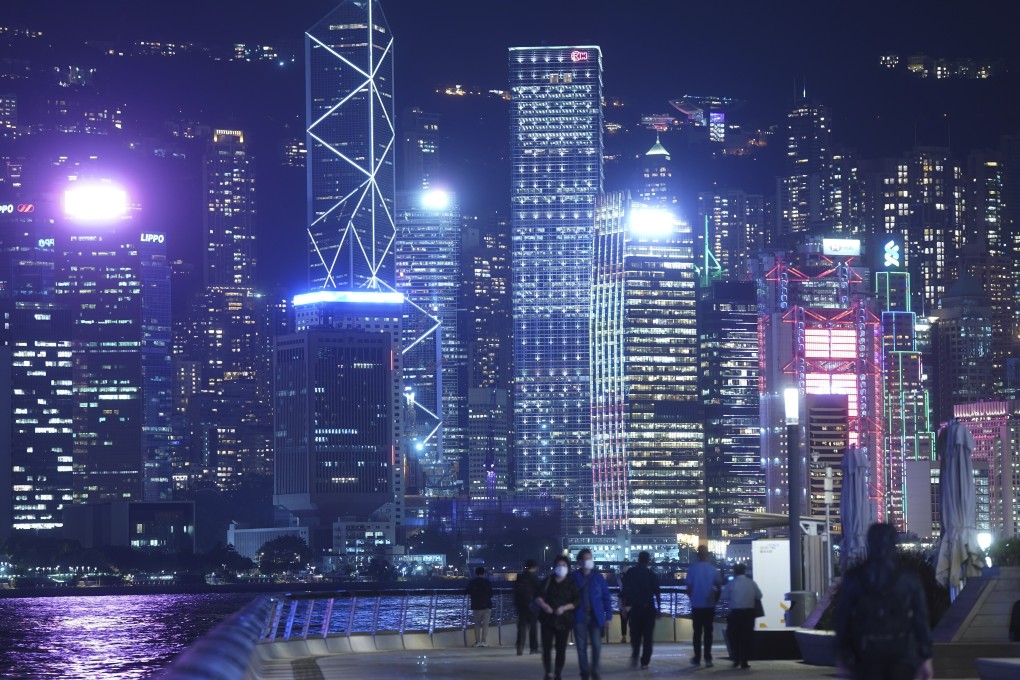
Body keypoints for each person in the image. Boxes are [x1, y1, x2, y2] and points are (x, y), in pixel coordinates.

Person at [835, 523, 934, 680]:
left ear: (869, 542)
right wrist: (926, 656)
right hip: (902, 655)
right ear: (895, 542)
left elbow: (842, 618)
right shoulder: (909, 578)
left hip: (865, 654)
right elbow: (920, 620)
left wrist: (842, 654)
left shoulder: (854, 577)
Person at [535, 555, 581, 680]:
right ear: (555, 567)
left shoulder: (571, 583)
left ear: (568, 568)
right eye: (559, 565)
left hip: (564, 620)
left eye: (564, 565)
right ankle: (548, 672)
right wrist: (545, 606)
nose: (562, 568)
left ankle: (558, 673)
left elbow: (577, 600)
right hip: (547, 620)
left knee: (561, 649)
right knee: (546, 648)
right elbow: (538, 597)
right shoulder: (548, 581)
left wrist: (564, 608)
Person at [571, 548, 613, 680]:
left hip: (596, 617)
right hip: (579, 616)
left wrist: (609, 617)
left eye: (590, 558)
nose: (589, 561)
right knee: (581, 647)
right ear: (580, 561)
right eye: (586, 558)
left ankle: (595, 670)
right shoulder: (573, 577)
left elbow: (606, 597)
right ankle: (584, 672)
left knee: (596, 645)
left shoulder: (597, 577)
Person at [621, 551, 661, 670]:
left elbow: (625, 591)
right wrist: (659, 608)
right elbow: (657, 592)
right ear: (648, 560)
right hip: (649, 608)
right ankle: (645, 661)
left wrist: (623, 607)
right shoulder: (651, 574)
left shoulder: (631, 572)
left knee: (635, 634)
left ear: (638, 559)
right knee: (648, 637)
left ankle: (635, 653)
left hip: (635, 608)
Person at [685, 545, 723, 667]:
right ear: (707, 554)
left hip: (697, 605)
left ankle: (697, 658)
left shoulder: (692, 569)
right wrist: (715, 600)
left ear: (697, 554)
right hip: (709, 605)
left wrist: (692, 598)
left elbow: (689, 587)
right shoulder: (713, 569)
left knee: (697, 633)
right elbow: (718, 586)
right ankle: (708, 658)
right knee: (708, 633)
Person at [721, 563, 762, 669]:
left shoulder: (732, 583)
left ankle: (736, 659)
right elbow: (759, 595)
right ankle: (745, 661)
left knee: (734, 637)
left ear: (735, 571)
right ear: (744, 571)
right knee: (747, 637)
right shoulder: (751, 583)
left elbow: (724, 596)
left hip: (735, 613)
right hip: (749, 613)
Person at [513, 558, 541, 655]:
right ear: (534, 567)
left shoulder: (519, 577)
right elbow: (540, 592)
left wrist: (516, 604)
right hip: (532, 606)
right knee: (533, 628)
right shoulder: (534, 578)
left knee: (521, 627)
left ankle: (519, 646)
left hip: (521, 606)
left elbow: (515, 592)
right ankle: (533, 648)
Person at [466, 565, 493, 647]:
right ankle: (484, 641)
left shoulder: (472, 582)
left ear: (476, 573)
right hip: (487, 605)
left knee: (477, 624)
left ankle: (477, 642)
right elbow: (491, 593)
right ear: (483, 573)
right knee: (485, 625)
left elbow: (468, 591)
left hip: (477, 606)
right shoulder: (488, 582)